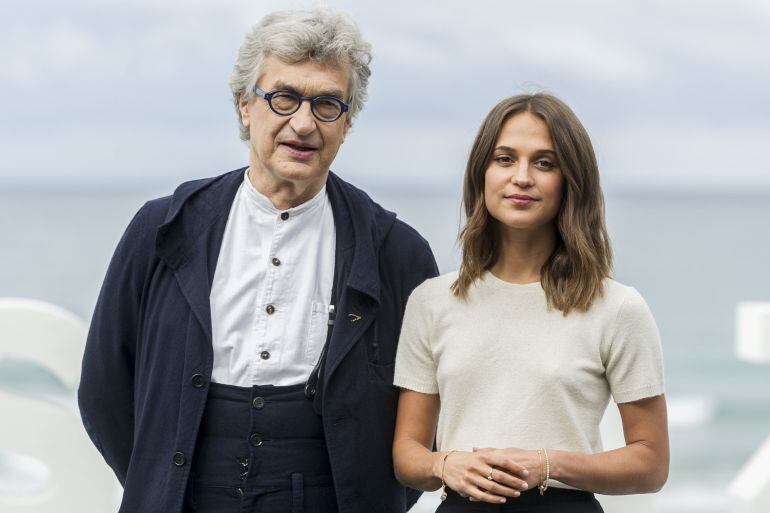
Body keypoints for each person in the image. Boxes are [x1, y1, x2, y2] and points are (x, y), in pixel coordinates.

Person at [78, 8, 437, 513]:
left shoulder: (397, 252)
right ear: (246, 106)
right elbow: (103, 387)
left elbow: (425, 412)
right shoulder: (162, 230)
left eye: (328, 104)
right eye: (284, 98)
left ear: (347, 124)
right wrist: (157, 483)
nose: (304, 123)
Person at [391, 93, 669, 512]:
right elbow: (407, 456)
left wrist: (546, 464)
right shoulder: (432, 302)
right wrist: (445, 463)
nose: (522, 177)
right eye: (504, 159)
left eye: (544, 163)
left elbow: (651, 463)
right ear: (481, 174)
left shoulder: (618, 308)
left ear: (571, 180)